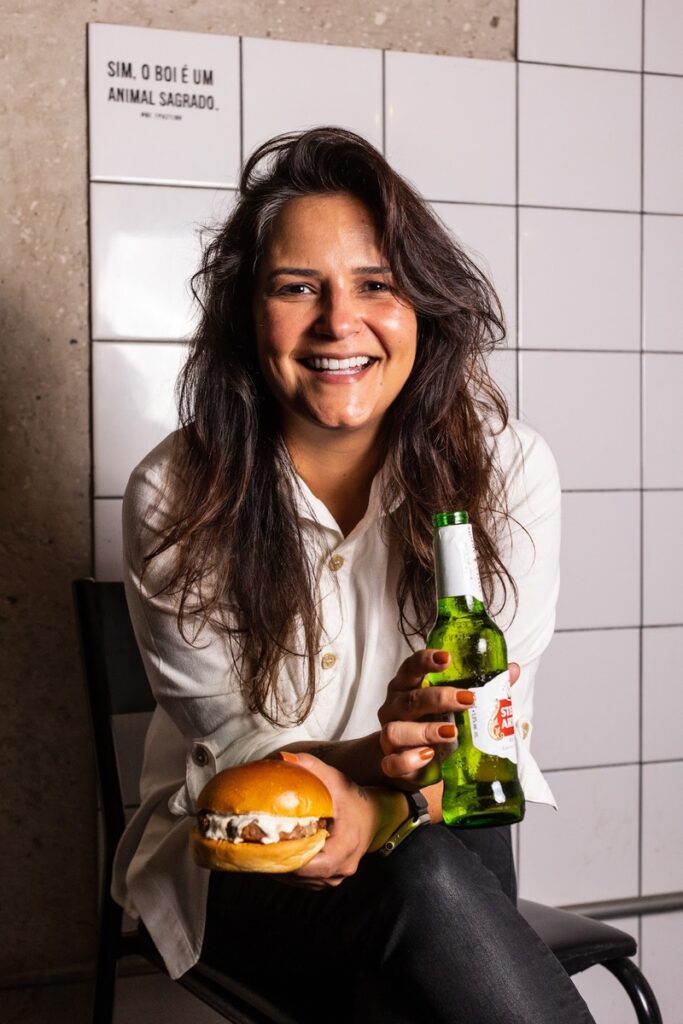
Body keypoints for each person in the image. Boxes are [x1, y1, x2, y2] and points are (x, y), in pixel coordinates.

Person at [112, 127, 595, 1023]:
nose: (339, 322)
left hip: (443, 829)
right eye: (298, 287)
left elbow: (488, 737)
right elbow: (240, 756)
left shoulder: (508, 470)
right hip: (250, 859)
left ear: (424, 305)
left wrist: (382, 809)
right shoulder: (176, 494)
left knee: (423, 892)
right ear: (245, 314)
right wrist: (373, 761)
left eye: (376, 284)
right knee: (422, 932)